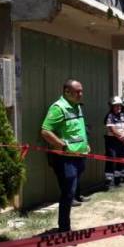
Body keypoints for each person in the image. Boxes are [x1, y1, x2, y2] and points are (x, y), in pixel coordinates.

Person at [41, 79, 90, 232]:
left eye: (81, 91)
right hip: (65, 159)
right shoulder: (58, 108)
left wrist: (85, 144)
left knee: (71, 192)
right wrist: (62, 146)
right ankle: (64, 227)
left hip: (79, 156)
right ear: (67, 92)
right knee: (67, 193)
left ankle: (65, 225)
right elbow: (45, 131)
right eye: (77, 91)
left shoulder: (76, 107)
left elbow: (77, 130)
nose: (80, 94)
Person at [104, 96, 124, 189]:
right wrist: (122, 138)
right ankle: (109, 183)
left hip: (120, 141)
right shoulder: (110, 116)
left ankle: (117, 181)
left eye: (119, 106)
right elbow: (112, 130)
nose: (118, 108)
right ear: (112, 107)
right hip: (112, 142)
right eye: (116, 106)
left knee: (120, 160)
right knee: (111, 160)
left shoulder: (122, 115)